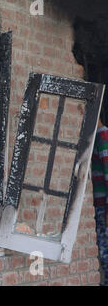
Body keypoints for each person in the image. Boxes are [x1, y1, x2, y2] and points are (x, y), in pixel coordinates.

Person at [91, 117, 108, 285]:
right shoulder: (95, 136)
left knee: (106, 257)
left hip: (104, 209)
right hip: (99, 208)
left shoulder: (103, 136)